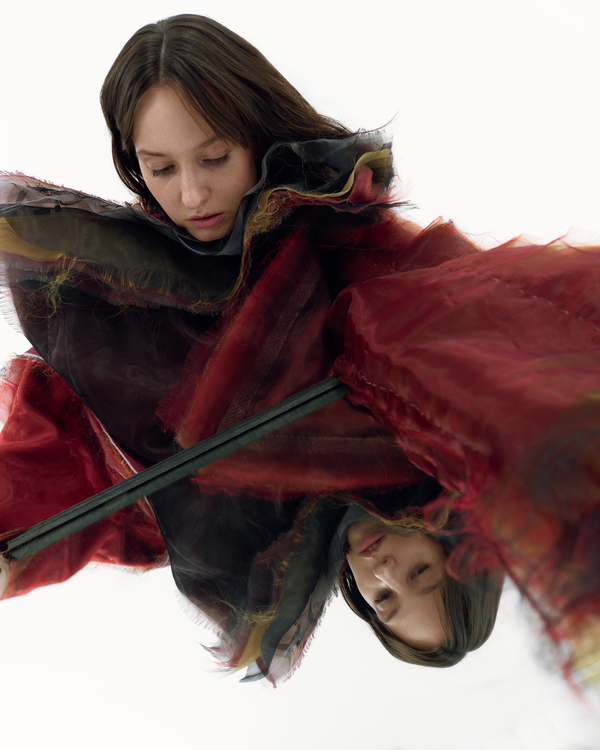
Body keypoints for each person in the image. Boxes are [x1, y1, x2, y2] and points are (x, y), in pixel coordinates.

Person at [0, 14, 597, 687]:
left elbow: (79, 479)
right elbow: (496, 339)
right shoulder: (367, 276)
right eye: (159, 168)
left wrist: (12, 549)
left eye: (384, 600)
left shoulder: (246, 544)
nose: (190, 193)